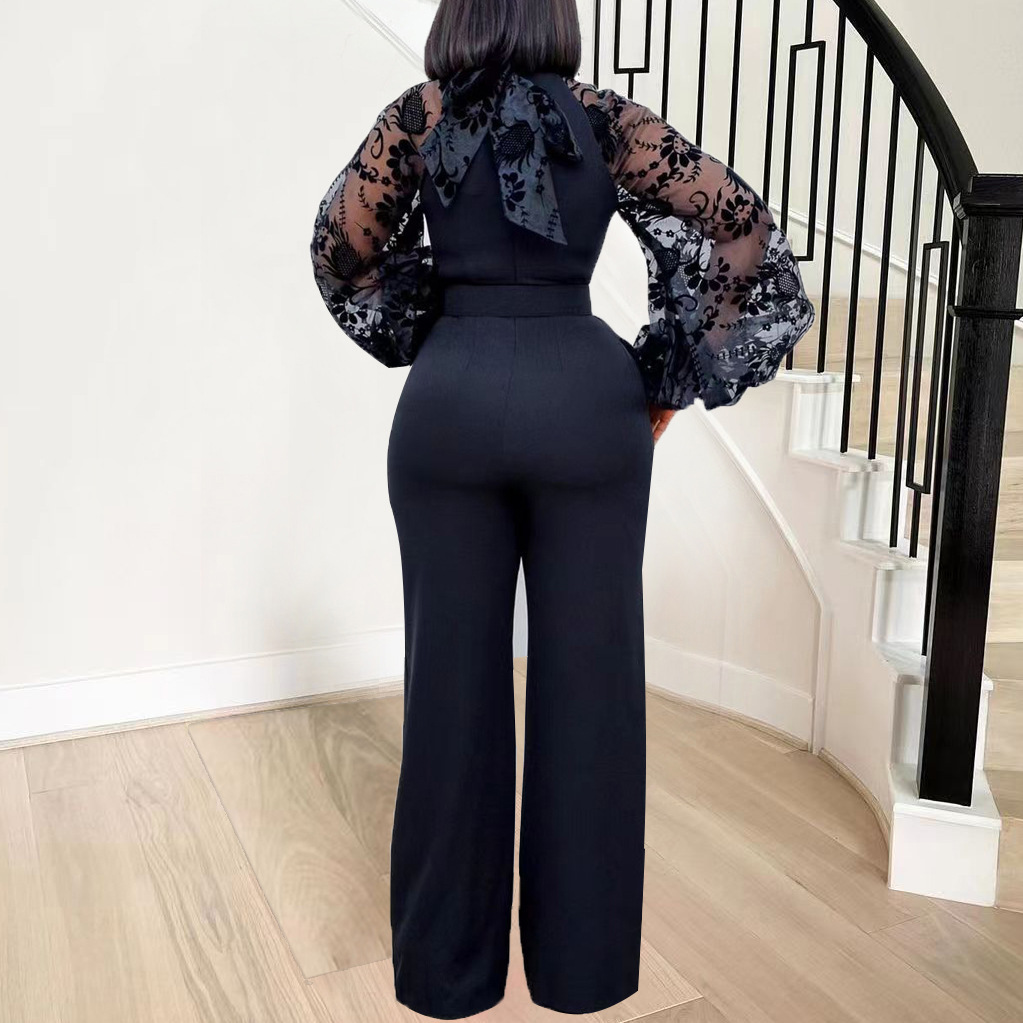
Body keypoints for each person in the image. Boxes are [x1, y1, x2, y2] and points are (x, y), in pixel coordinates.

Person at [309, 0, 814, 1017]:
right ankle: (581, 974)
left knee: (447, 694)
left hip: (448, 411)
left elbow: (340, 251)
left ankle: (446, 978)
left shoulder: (419, 114)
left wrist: (438, 326)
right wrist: (667, 375)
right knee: (593, 692)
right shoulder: (606, 119)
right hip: (588, 410)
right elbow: (743, 230)